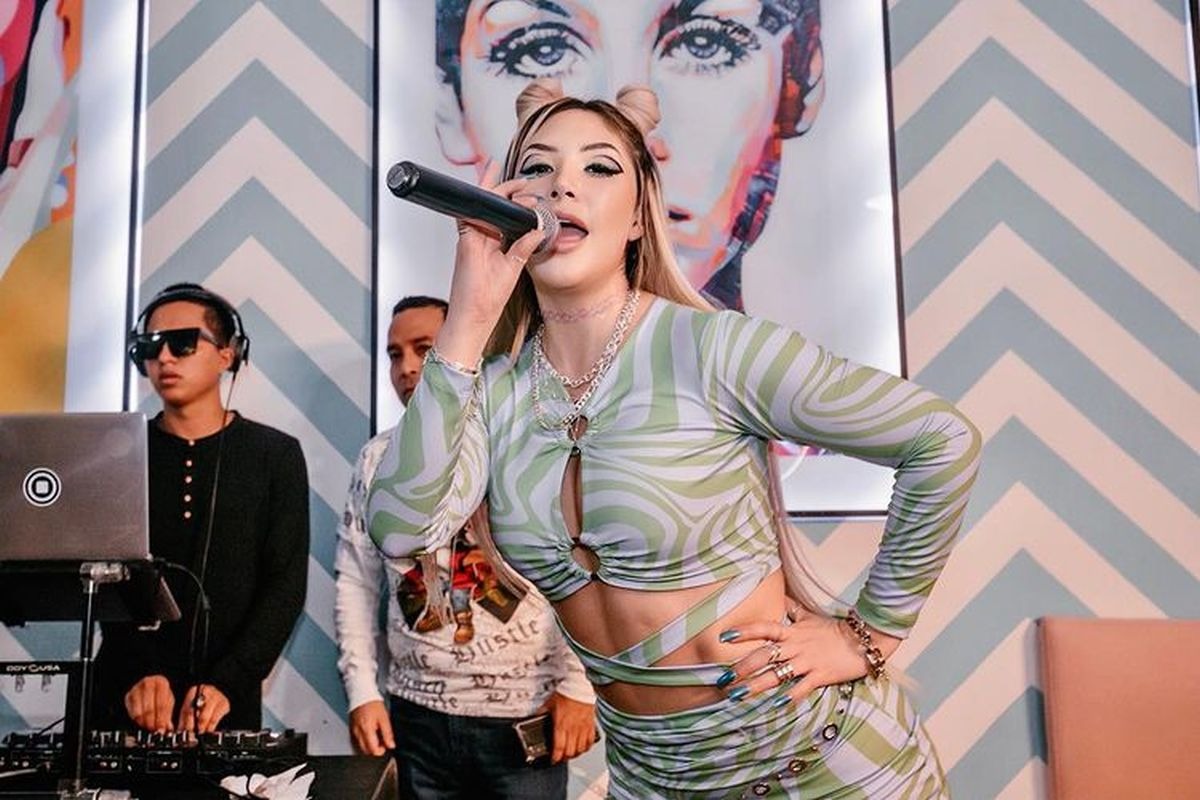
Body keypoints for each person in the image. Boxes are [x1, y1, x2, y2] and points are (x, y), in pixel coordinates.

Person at [368, 79, 981, 798]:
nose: (561, 185)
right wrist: (467, 322)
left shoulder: (715, 350)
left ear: (637, 218)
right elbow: (400, 530)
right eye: (537, 167)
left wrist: (867, 634)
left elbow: (941, 439)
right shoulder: (491, 392)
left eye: (599, 167)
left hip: (822, 766)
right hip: (654, 782)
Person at [335, 295, 596, 799]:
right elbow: (356, 580)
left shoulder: (528, 446)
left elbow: (580, 568)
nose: (407, 368)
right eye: (394, 354)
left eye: (424, 349)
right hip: (416, 719)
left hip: (525, 717)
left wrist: (578, 688)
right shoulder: (377, 459)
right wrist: (362, 692)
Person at [433, 0, 823, 310]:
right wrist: (470, 317)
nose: (630, 139)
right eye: (542, 50)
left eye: (704, 44)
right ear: (453, 106)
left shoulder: (743, 359)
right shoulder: (489, 376)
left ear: (803, 79)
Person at [92, 282, 309, 734]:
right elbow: (105, 580)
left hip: (225, 708)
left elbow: (284, 586)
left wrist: (228, 681)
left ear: (228, 354)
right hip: (123, 697)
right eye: (150, 345)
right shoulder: (117, 454)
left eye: (183, 343)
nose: (164, 357)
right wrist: (139, 671)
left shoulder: (275, 455)